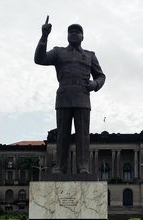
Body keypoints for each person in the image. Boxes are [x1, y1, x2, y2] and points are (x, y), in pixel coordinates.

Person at [34, 16, 106, 174]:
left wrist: (95, 84)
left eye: (77, 32)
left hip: (82, 96)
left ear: (82, 36)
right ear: (67, 36)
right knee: (62, 135)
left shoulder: (90, 55)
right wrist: (44, 36)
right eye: (71, 32)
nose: (74, 34)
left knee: (83, 136)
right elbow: (39, 59)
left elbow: (101, 76)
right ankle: (60, 167)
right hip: (64, 96)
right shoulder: (58, 52)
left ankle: (83, 167)